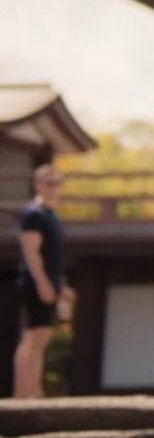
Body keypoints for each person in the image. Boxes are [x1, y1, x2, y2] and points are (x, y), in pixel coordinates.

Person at [13, 163, 72, 400]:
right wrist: (42, 282)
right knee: (32, 336)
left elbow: (55, 256)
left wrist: (62, 285)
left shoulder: (51, 215)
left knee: (43, 336)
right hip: (35, 281)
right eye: (49, 183)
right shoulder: (33, 214)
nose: (54, 188)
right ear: (37, 185)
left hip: (51, 279)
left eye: (57, 183)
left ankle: (34, 390)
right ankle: (23, 391)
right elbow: (31, 251)